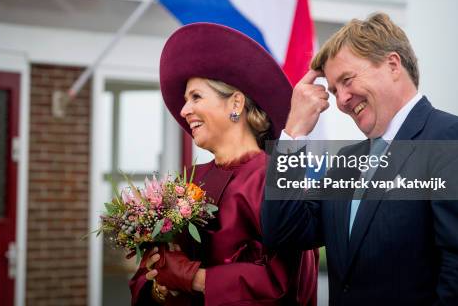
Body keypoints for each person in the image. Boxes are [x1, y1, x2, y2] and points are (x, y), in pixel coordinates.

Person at [262, 13, 458, 305]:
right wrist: (294, 132)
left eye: (347, 80)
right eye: (334, 90)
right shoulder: (345, 163)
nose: (341, 100)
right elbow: (283, 232)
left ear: (392, 65)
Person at [129, 22, 318, 305]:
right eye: (185, 100)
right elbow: (147, 277)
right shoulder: (188, 181)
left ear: (236, 104)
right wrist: (158, 281)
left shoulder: (276, 176)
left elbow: (287, 283)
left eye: (196, 97)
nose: (184, 110)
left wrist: (192, 278)